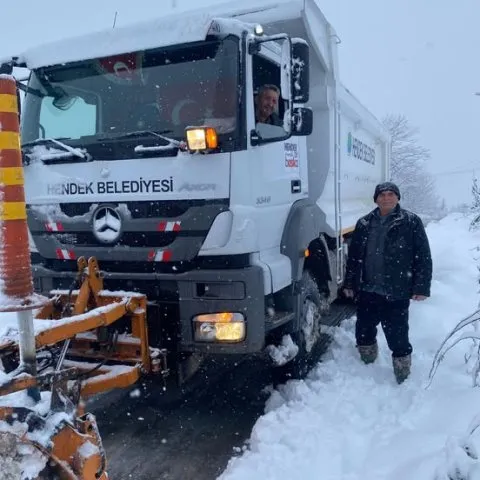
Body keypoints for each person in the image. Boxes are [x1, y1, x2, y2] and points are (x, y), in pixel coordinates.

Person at [342, 181, 432, 384]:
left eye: (391, 194)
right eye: (382, 195)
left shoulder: (411, 221)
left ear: (398, 197)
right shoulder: (364, 223)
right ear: (376, 199)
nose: (386, 198)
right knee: (363, 331)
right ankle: (366, 362)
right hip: (368, 289)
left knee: (398, 335)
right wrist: (349, 284)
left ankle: (402, 373)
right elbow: (354, 258)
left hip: (397, 290)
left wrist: (421, 287)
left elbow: (423, 256)